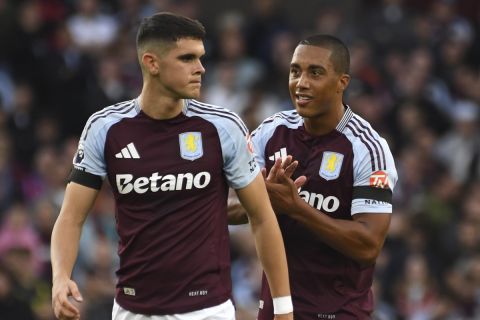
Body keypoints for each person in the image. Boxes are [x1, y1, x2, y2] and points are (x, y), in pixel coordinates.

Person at [51, 12, 293, 320]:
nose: (201, 68)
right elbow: (71, 217)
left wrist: (284, 309)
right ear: (152, 63)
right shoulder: (105, 128)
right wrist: (60, 277)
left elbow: (261, 217)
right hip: (133, 310)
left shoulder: (223, 127)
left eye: (201, 58)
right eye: (187, 58)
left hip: (209, 310)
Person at [229, 34, 398, 319]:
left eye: (315, 73)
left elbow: (368, 245)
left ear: (342, 83)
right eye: (295, 71)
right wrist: (259, 199)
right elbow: (223, 206)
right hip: (277, 306)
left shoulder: (367, 147)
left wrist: (296, 208)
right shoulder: (271, 132)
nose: (301, 82)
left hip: (338, 310)